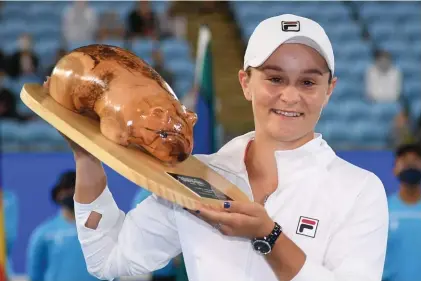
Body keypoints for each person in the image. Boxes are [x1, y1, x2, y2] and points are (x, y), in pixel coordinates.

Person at [66, 14, 388, 281]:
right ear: (245, 83)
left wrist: (270, 237)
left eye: (308, 82)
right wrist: (87, 159)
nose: (290, 96)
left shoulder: (358, 191)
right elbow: (109, 258)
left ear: (329, 90)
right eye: (274, 79)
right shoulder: (197, 176)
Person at [26, 171, 100, 281]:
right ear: (58, 195)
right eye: (67, 188)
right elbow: (35, 274)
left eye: (77, 188)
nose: (72, 193)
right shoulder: (44, 233)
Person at [382, 144, 421, 281]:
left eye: (416, 160)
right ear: (394, 169)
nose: (410, 164)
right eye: (405, 161)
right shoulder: (382, 209)